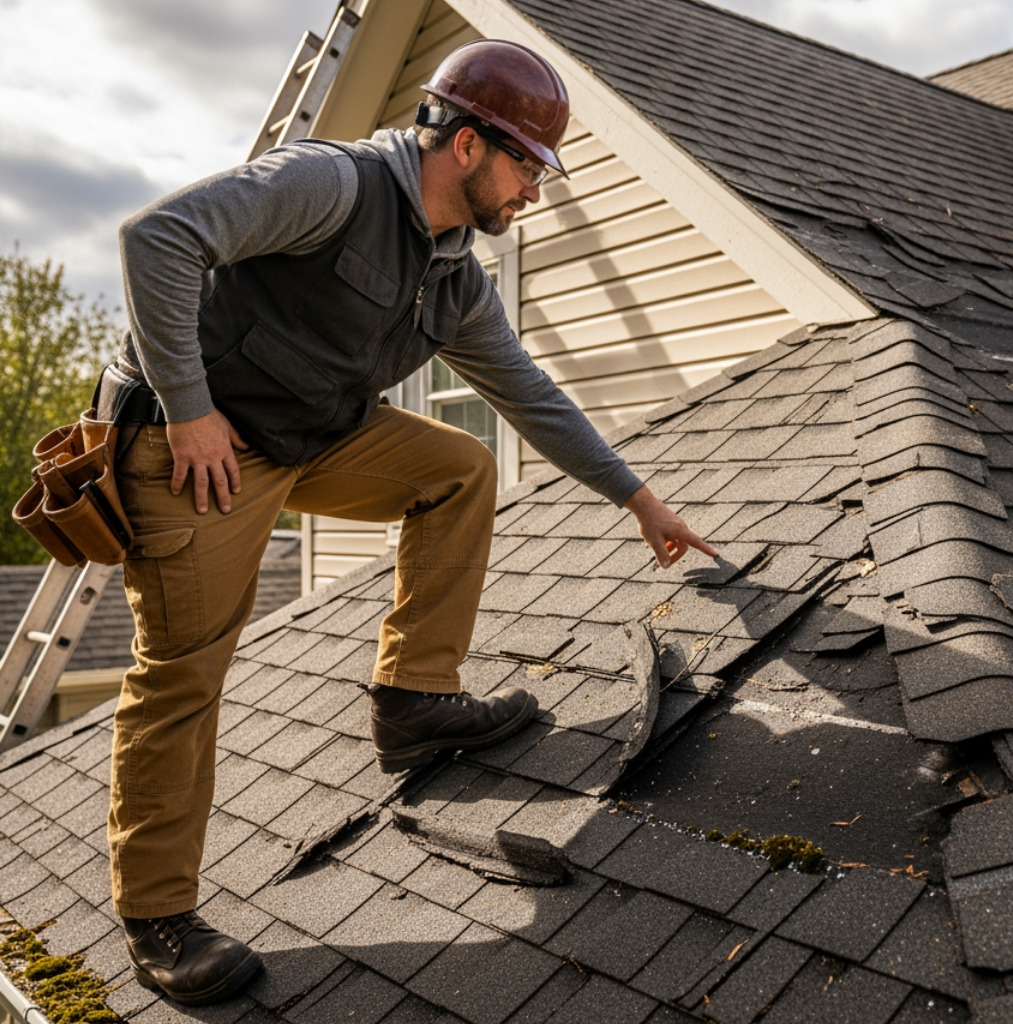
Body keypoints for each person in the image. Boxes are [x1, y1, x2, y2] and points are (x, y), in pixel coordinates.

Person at [106, 39, 715, 1005]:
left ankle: (414, 701)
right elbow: (156, 239)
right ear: (467, 145)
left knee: (458, 469)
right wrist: (187, 406)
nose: (534, 194)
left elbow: (531, 394)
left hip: (308, 435)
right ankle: (158, 915)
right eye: (528, 167)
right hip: (197, 448)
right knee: (185, 671)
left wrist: (639, 498)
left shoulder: (455, 278)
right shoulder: (330, 186)